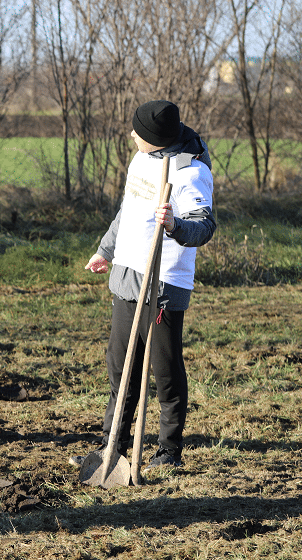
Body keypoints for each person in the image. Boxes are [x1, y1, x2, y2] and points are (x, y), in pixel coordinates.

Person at [76, 100, 216, 470]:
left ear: (157, 138)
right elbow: (128, 210)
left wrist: (175, 225)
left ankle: (168, 451)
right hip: (127, 274)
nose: (132, 135)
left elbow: (204, 226)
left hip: (164, 282)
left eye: (139, 132)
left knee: (165, 371)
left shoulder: (191, 171)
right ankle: (112, 447)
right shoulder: (141, 158)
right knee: (120, 367)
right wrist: (106, 249)